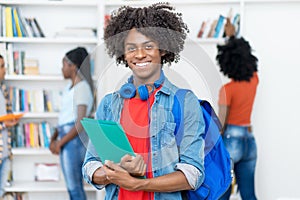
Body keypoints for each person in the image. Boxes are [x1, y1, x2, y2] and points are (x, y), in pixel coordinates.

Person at [82, 3, 205, 200]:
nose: (139, 54)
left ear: (163, 49)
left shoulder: (184, 102)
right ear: (123, 53)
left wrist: (138, 183)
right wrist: (114, 172)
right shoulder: (109, 104)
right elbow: (90, 166)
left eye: (148, 46)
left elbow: (192, 174)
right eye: (131, 48)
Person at [216, 21, 259, 200]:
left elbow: (221, 125)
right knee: (249, 195)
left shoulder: (227, 89)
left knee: (222, 193)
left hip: (231, 139)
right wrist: (233, 37)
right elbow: (244, 55)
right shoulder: (254, 80)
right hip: (249, 140)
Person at [49, 47, 94, 200]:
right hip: (66, 138)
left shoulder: (82, 88)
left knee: (75, 189)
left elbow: (80, 124)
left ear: (73, 66)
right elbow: (64, 117)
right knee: (72, 188)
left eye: (64, 64)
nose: (62, 68)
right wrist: (54, 139)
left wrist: (60, 143)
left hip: (73, 142)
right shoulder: (70, 88)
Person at [0, 54, 19, 197]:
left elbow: (7, 113)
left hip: (5, 151)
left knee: (1, 191)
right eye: (1, 67)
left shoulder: (3, 89)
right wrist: (3, 124)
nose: (4, 70)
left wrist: (11, 121)